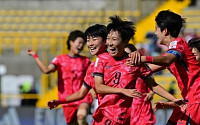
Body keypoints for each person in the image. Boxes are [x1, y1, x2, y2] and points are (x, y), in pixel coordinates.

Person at [93, 15, 184, 125]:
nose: (110, 43)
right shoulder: (102, 59)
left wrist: (173, 99)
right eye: (108, 39)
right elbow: (99, 87)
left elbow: (153, 85)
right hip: (103, 116)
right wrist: (123, 90)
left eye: (114, 39)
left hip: (123, 118)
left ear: (125, 42)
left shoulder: (135, 62)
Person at [47, 24, 142, 124]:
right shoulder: (93, 66)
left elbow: (126, 48)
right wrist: (59, 101)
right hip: (104, 115)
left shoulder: (114, 57)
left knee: (81, 116)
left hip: (119, 115)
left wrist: (135, 51)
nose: (90, 44)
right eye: (88, 40)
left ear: (106, 40)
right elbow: (81, 93)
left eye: (94, 39)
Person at [128, 10, 200, 125]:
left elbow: (167, 60)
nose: (155, 32)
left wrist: (143, 58)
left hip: (196, 102)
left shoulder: (178, 43)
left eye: (156, 29)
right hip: (186, 102)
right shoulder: (171, 53)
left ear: (165, 31)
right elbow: (146, 69)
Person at [27, 30, 93, 125]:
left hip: (82, 96)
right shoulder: (60, 59)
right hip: (67, 100)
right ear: (71, 42)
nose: (81, 45)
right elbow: (46, 70)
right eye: (79, 42)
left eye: (83, 43)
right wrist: (35, 55)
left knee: (81, 116)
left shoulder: (86, 61)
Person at [125, 44, 156, 125]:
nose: (127, 57)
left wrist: (151, 94)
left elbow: (153, 85)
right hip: (127, 108)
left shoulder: (142, 69)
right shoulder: (119, 71)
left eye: (129, 54)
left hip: (142, 107)